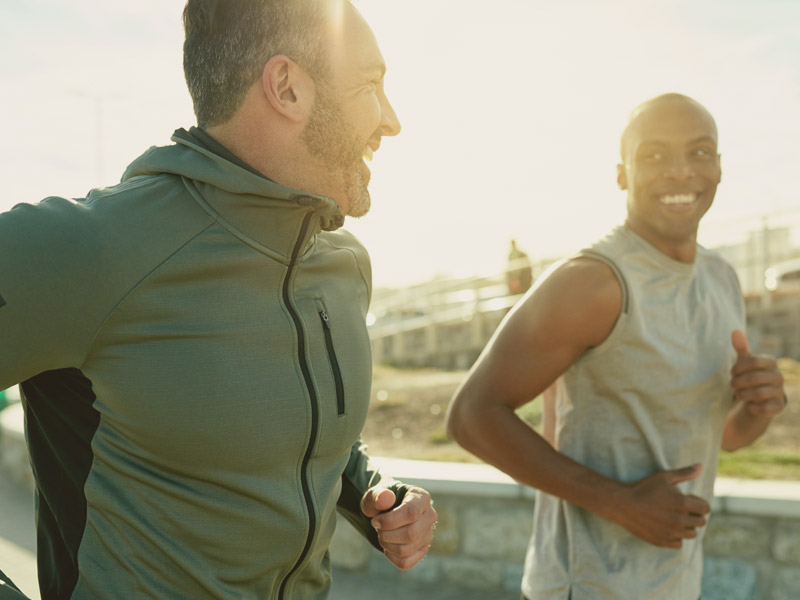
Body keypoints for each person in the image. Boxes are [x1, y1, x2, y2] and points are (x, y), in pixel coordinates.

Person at [0, 1, 437, 598]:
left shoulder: (343, 265)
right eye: (370, 86)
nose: (392, 120)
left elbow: (300, 429)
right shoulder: (92, 247)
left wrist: (376, 494)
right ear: (286, 87)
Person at [446, 93, 786, 600]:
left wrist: (759, 409)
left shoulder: (721, 278)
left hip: (674, 584)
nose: (679, 172)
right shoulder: (596, 282)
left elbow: (719, 438)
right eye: (653, 155)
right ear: (622, 174)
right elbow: (471, 416)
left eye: (698, 152)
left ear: (718, 167)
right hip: (584, 586)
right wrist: (619, 502)